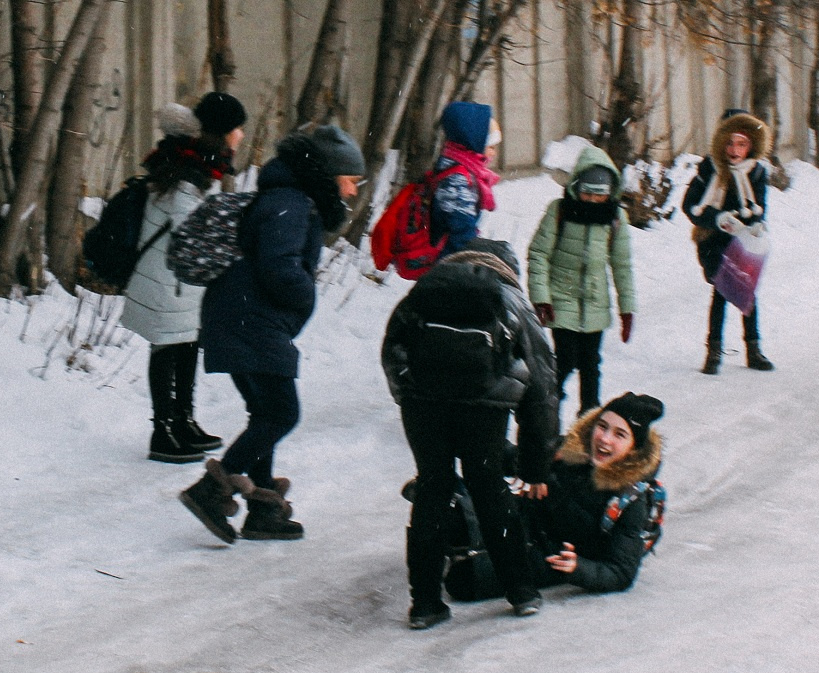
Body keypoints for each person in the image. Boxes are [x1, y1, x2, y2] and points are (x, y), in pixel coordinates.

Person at [179, 125, 366, 543]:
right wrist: (305, 298)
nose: (352, 192)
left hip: (239, 317)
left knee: (265, 415)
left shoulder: (287, 199)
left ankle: (262, 510)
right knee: (282, 414)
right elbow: (279, 267)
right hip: (250, 321)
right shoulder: (290, 203)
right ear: (328, 174)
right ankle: (212, 489)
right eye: (350, 181)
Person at [382, 238, 558, 629]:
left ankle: (425, 605)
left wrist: (410, 394)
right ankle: (522, 592)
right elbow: (543, 385)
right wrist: (535, 464)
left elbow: (392, 348)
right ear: (508, 267)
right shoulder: (510, 298)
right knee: (489, 487)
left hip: (425, 406)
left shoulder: (426, 291)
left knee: (433, 487)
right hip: (485, 409)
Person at [120, 94, 245, 464]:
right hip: (169, 276)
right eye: (236, 128)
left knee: (185, 343)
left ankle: (182, 420)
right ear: (222, 132)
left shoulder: (191, 163)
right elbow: (190, 229)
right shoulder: (188, 173)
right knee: (167, 346)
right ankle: (163, 431)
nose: (241, 135)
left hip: (177, 275)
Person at [526, 144, 636, 419]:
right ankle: (544, 415)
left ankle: (588, 420)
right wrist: (541, 297)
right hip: (561, 299)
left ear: (610, 193)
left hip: (595, 302)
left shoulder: (615, 218)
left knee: (591, 365)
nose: (590, 200)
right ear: (576, 186)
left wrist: (627, 308)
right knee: (564, 361)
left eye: (599, 195)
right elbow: (539, 254)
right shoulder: (560, 211)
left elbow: (622, 265)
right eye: (586, 192)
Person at [520, 392, 664, 594]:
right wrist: (536, 465)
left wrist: (578, 568)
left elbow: (621, 572)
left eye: (619, 434)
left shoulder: (631, 499)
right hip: (518, 522)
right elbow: (510, 457)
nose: (605, 438)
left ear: (633, 449)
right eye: (602, 426)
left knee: (469, 576)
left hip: (548, 558)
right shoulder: (571, 452)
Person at [682, 110, 774, 375]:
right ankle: (713, 352)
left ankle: (754, 349)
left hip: (743, 242)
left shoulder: (756, 173)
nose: (735, 150)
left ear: (751, 147)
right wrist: (716, 218)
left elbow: (760, 206)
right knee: (722, 291)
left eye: (742, 144)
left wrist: (755, 222)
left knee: (746, 292)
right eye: (730, 143)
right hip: (713, 240)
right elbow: (690, 205)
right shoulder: (709, 169)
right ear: (721, 143)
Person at [430, 101, 502, 258]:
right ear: (475, 142)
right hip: (449, 265)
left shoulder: (465, 168)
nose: (494, 153)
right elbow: (462, 234)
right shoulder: (457, 180)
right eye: (491, 147)